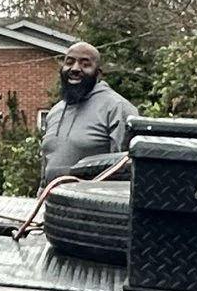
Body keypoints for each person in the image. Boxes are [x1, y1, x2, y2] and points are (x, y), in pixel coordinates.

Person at [39, 41, 137, 185]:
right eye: (69, 62)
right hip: (51, 202)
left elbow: (126, 169)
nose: (75, 68)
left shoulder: (117, 108)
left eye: (85, 64)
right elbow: (46, 166)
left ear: (98, 72)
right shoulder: (55, 111)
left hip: (91, 204)